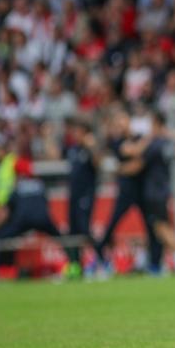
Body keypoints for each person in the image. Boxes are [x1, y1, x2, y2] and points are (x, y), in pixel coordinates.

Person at [122, 111, 175, 274]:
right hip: (163, 189)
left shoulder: (153, 144)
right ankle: (165, 261)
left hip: (154, 191)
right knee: (158, 228)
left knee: (162, 227)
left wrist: (120, 169)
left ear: (156, 124)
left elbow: (137, 160)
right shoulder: (167, 143)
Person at [94, 109, 163, 274]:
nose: (121, 124)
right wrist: (150, 138)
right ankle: (101, 256)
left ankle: (155, 264)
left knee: (151, 227)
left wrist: (125, 168)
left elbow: (138, 163)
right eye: (118, 122)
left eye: (123, 120)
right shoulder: (118, 142)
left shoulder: (139, 138)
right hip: (126, 191)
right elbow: (134, 154)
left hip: (142, 191)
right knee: (112, 224)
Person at [64, 117, 100, 275]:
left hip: (86, 195)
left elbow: (99, 163)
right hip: (73, 195)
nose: (75, 134)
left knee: (85, 230)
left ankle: (99, 261)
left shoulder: (89, 150)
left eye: (78, 132)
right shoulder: (72, 150)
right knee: (73, 232)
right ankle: (75, 265)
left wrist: (93, 147)